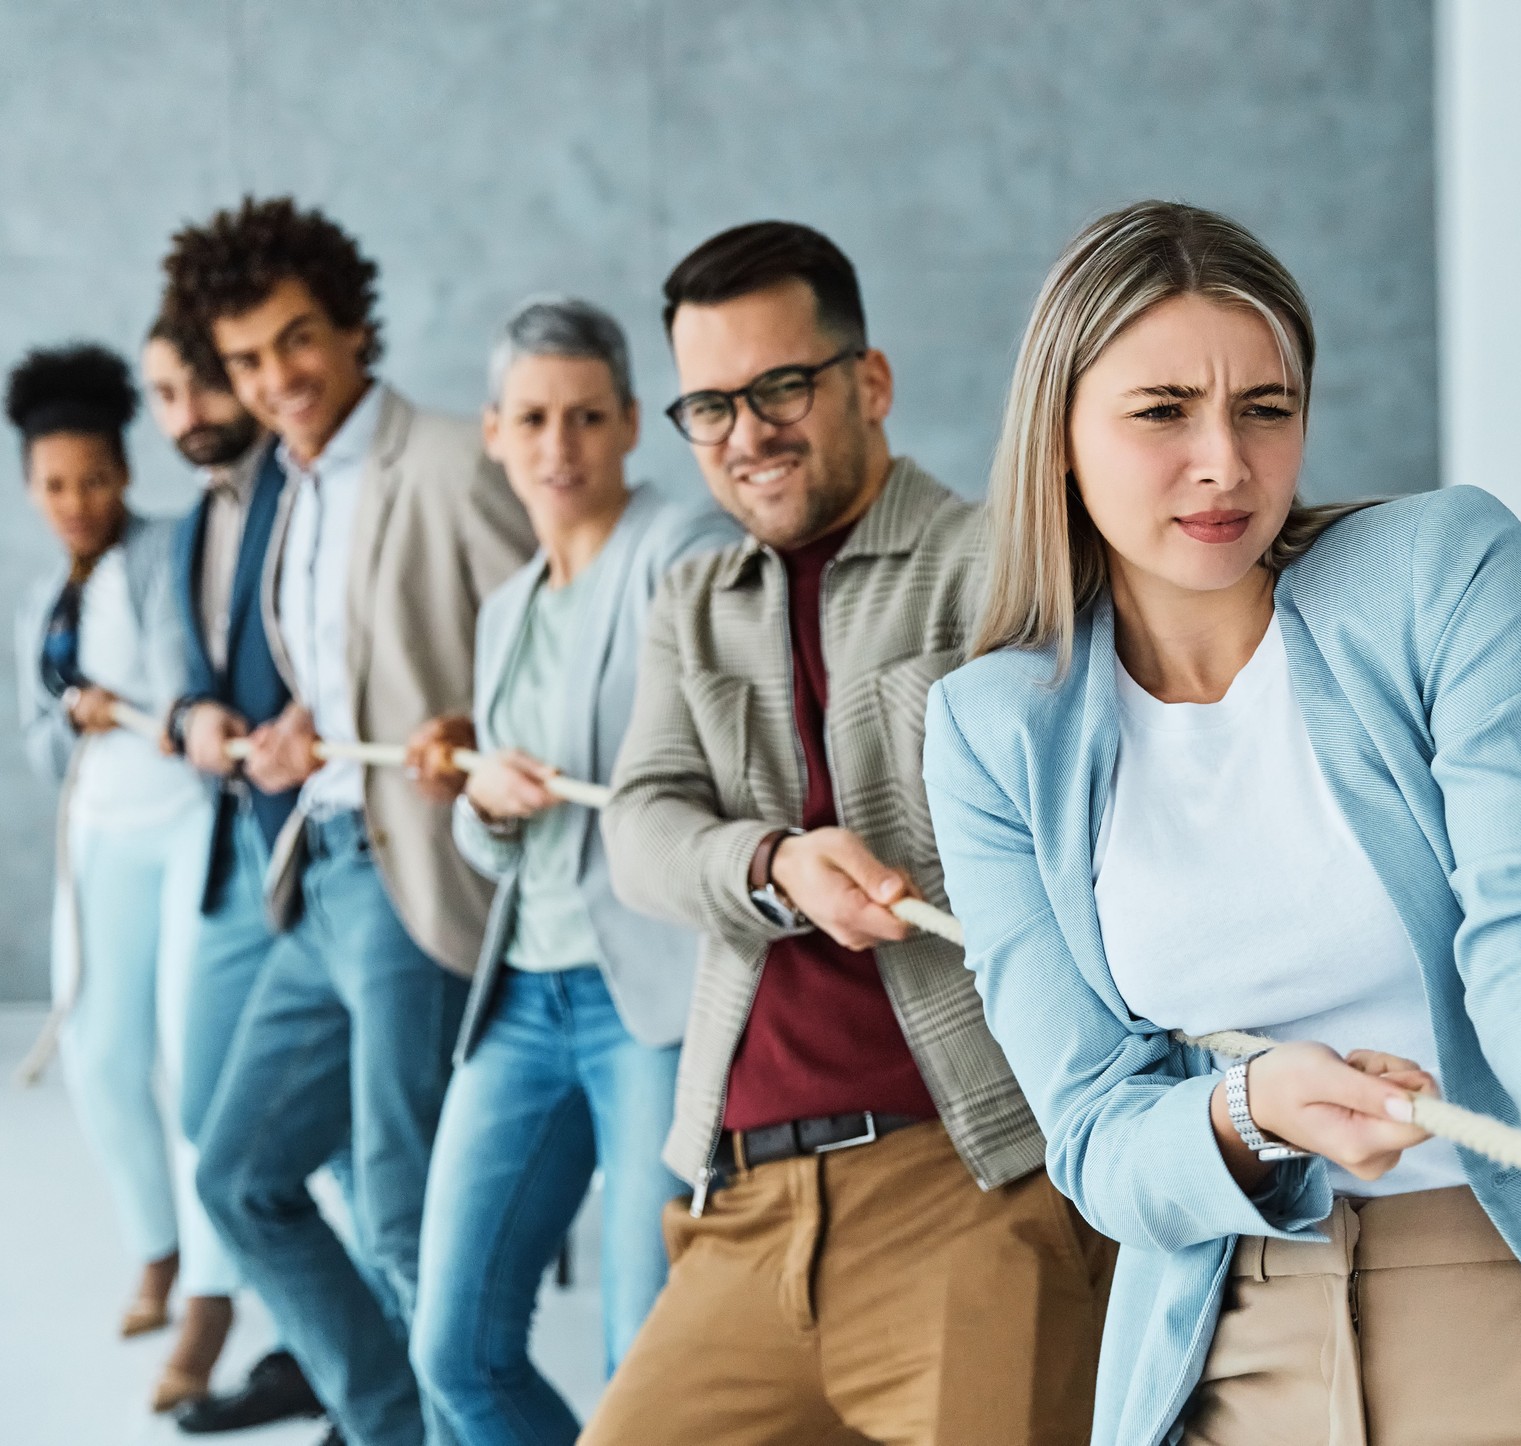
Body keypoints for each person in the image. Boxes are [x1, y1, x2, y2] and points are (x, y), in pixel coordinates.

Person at [920, 200, 1521, 1446]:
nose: (1224, 460)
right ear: (1059, 436)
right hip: (1237, 1323)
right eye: (1163, 411)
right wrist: (1250, 1107)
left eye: (1265, 407)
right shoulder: (990, 728)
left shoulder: (1447, 572)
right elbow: (1093, 1132)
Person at [584, 221, 1113, 1446]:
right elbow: (643, 829)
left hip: (970, 1184)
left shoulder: (1001, 560)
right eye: (709, 406)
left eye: (780, 386)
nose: (747, 433)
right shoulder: (690, 601)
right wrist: (770, 864)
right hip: (743, 1204)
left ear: (868, 384)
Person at [162, 196, 537, 1446]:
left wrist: (464, 732)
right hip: (312, 867)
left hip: (407, 872)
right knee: (238, 1174)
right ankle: (389, 1425)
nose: (278, 380)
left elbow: (532, 646)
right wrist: (293, 733)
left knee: (399, 1211)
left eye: (297, 342)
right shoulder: (289, 484)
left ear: (355, 327)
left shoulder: (441, 458)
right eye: (249, 360)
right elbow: (338, 660)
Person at [403, 296, 739, 1444]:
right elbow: (489, 837)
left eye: (587, 416)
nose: (560, 446)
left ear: (634, 423)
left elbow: (703, 719)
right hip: (521, 1000)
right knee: (452, 1350)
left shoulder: (679, 547)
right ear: (493, 431)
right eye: (534, 418)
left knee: (640, 1366)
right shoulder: (505, 614)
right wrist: (482, 802)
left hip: (643, 998)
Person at [6, 343, 241, 1413]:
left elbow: (198, 673)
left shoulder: (171, 549)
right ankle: (155, 1243)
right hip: (99, 840)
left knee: (194, 1062)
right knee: (100, 1056)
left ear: (125, 469)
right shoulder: (38, 608)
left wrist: (147, 705)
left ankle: (210, 1288)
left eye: (94, 478)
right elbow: (41, 745)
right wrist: (69, 710)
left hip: (188, 829)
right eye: (54, 485)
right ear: (28, 486)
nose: (76, 503)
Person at [139, 315, 330, 1435]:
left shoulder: (304, 491)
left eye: (203, 385)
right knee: (222, 1119)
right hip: (227, 855)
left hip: (316, 844)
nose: (189, 415)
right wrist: (186, 715)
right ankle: (311, 1340)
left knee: (339, 1128)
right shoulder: (184, 534)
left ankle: (353, 1366)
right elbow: (175, 684)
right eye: (164, 394)